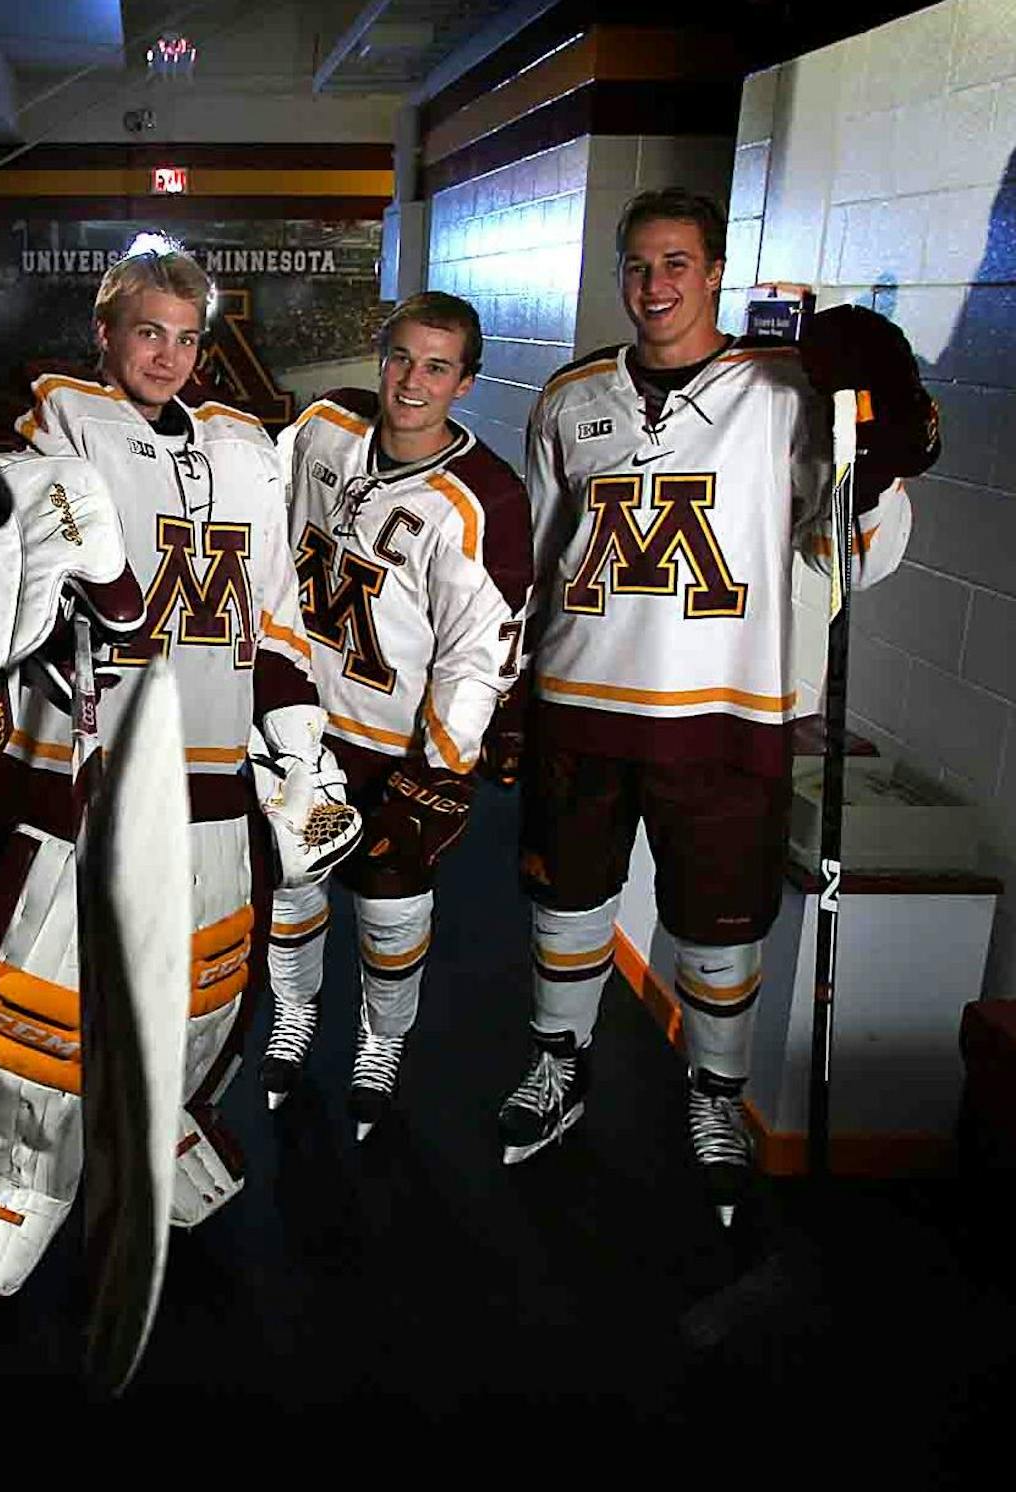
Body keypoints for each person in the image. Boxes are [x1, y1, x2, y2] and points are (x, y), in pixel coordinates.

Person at [0, 243, 355, 1293]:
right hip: (82, 766)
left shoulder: (246, 447)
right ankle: (5, 1177)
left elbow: (272, 615)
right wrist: (66, 569)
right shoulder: (55, 418)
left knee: (206, 977)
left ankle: (160, 1123)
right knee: (41, 991)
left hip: (213, 772)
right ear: (105, 334)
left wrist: (299, 749)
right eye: (149, 331)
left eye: (189, 337)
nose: (171, 355)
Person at [507, 188, 936, 1222]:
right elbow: (535, 556)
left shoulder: (786, 390)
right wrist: (510, 694)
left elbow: (851, 561)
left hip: (723, 711)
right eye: (640, 265)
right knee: (566, 903)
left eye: (678, 264)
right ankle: (559, 1063)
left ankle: (715, 1096)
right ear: (623, 274)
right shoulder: (571, 396)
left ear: (713, 273)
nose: (656, 286)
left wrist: (868, 465)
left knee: (720, 923)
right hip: (581, 700)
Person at [263, 291, 533, 1138]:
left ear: (466, 381)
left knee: (389, 908)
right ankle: (294, 1013)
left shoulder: (481, 496)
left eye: (438, 366)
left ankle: (383, 1038)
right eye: (402, 358)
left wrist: (438, 771)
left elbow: (477, 654)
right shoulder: (320, 433)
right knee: (289, 888)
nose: (414, 381)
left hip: (392, 742)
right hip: (300, 719)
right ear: (380, 359)